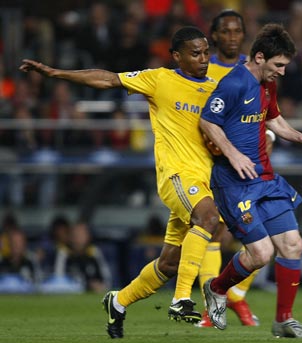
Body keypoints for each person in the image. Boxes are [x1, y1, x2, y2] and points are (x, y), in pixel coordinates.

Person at [20, 26, 221, 338]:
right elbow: (107, 78)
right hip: (177, 176)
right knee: (208, 219)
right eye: (196, 53)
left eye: (206, 52)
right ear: (176, 56)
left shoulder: (216, 86)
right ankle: (182, 298)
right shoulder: (161, 79)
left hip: (204, 181)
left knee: (168, 264)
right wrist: (57, 73)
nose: (204, 58)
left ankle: (119, 300)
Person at [199, 23, 302, 337]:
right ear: (259, 57)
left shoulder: (267, 84)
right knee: (261, 253)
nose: (283, 72)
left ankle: (283, 320)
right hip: (233, 183)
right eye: (278, 65)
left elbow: (273, 118)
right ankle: (218, 289)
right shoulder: (233, 83)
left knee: (292, 244)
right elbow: (207, 120)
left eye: (285, 66)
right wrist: (232, 154)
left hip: (265, 179)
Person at [196, 9, 259, 328]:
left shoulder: (255, 68)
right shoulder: (203, 70)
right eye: (226, 31)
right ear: (215, 36)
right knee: (214, 229)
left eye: (238, 31)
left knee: (262, 228)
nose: (232, 37)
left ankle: (235, 296)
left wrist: (271, 137)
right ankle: (212, 307)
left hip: (250, 161)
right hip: (211, 163)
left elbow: (268, 111)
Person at [54, 220, 112, 293]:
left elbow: (106, 279)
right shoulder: (64, 252)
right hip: (70, 293)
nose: (78, 238)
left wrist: (101, 286)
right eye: (75, 234)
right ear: (70, 237)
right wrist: (86, 285)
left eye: (81, 234)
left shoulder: (94, 252)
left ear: (88, 237)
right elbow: (58, 280)